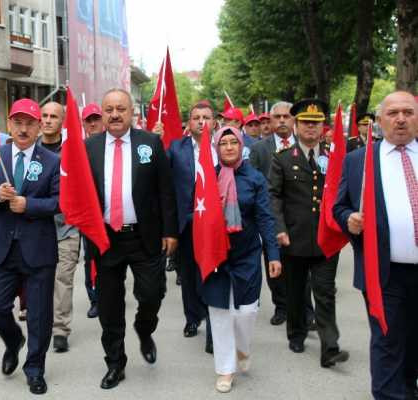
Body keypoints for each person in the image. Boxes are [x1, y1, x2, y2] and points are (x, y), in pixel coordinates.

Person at [84, 88, 177, 390]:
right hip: (106, 239)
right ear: (102, 113)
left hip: (144, 237)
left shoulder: (150, 143)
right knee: (109, 306)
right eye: (109, 109)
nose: (114, 114)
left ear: (131, 112)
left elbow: (166, 190)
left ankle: (144, 327)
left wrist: (170, 231)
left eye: (120, 109)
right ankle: (115, 363)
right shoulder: (90, 148)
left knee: (152, 295)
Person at [334, 91, 418, 399]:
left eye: (408, 112)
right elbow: (338, 205)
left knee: (411, 344)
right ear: (380, 120)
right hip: (383, 272)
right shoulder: (360, 161)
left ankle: (408, 388)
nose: (400, 119)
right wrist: (349, 219)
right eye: (393, 113)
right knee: (386, 341)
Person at [0, 98, 60, 395]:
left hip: (38, 249)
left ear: (39, 127)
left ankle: (35, 368)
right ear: (9, 124)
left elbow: (59, 203)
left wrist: (30, 205)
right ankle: (13, 341)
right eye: (18, 123)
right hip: (0, 247)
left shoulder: (52, 161)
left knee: (39, 315)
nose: (23, 129)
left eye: (30, 123)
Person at [269, 99, 349, 368]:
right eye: (305, 123)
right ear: (296, 125)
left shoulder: (334, 157)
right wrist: (279, 228)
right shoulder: (283, 159)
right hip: (294, 237)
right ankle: (297, 332)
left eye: (316, 123)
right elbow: (274, 197)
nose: (311, 128)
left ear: (323, 127)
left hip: (327, 238)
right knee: (295, 289)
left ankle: (330, 347)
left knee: (325, 291)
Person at [201, 126, 281, 393]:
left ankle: (243, 349)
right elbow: (197, 215)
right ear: (216, 147)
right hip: (216, 254)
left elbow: (265, 219)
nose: (228, 147)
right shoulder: (207, 178)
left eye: (233, 142)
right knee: (220, 313)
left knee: (247, 312)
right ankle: (225, 369)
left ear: (241, 145)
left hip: (246, 253)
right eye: (223, 143)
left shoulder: (255, 178)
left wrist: (273, 254)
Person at [249, 101, 314, 327]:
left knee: (302, 266)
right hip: (270, 216)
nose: (282, 121)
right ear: (271, 120)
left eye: (287, 116)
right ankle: (282, 307)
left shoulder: (303, 145)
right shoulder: (259, 149)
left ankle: (307, 311)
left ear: (294, 120)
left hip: (299, 218)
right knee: (274, 262)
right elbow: (253, 181)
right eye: (277, 117)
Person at [167, 101, 214, 352]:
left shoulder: (224, 147)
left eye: (206, 117)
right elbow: (162, 177)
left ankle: (212, 314)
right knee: (188, 273)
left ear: (213, 122)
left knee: (211, 271)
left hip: (214, 223)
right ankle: (192, 318)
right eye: (196, 117)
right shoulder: (176, 148)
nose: (200, 121)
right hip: (185, 222)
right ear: (189, 123)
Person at [37, 101, 81, 353]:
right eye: (44, 115)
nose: (48, 120)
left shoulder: (74, 151)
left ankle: (60, 329)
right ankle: (41, 321)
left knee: (63, 279)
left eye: (54, 116)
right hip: (38, 227)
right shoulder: (30, 150)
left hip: (67, 227)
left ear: (62, 121)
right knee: (41, 280)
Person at [80, 102, 104, 317]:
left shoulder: (113, 145)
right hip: (88, 213)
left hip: (111, 212)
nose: (94, 123)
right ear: (84, 124)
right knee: (91, 257)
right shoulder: (78, 149)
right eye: (89, 120)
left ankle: (110, 292)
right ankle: (94, 297)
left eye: (97, 119)